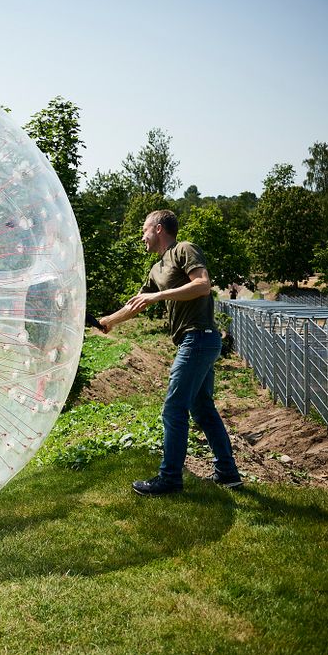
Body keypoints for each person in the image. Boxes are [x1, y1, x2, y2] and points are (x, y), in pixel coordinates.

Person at [99, 210, 243, 496]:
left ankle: (170, 478)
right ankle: (228, 473)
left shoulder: (183, 250)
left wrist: (160, 295)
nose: (142, 236)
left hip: (198, 338)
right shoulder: (157, 268)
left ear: (159, 228)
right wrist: (107, 322)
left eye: (145, 230)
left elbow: (203, 285)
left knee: (174, 409)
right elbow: (137, 304)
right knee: (202, 409)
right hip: (195, 342)